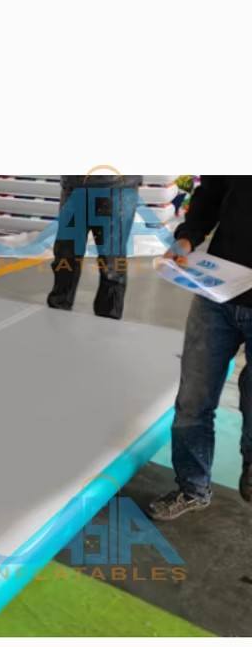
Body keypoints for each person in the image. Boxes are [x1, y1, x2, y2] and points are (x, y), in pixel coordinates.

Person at [149, 176, 252, 520]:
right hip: (218, 290)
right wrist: (188, 237)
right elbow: (211, 193)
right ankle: (192, 487)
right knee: (193, 398)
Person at [47, 173, 142, 320]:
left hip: (118, 188)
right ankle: (57, 314)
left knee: (112, 264)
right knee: (65, 256)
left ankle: (108, 322)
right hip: (75, 184)